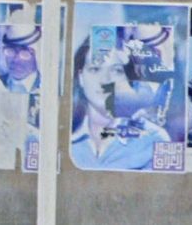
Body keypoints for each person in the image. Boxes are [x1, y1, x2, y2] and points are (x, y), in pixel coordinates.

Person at [69, 41, 172, 170]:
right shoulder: (61, 136)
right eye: (95, 69)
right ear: (81, 78)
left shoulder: (154, 140)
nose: (105, 80)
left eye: (117, 70)